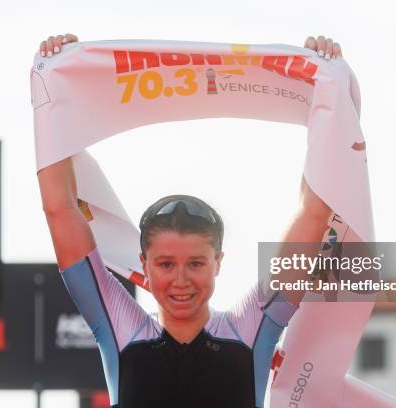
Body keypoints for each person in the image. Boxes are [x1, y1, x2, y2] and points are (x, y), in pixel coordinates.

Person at [37, 34, 340, 408]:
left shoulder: (251, 329)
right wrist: (50, 91)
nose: (181, 280)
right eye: (166, 264)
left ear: (219, 263)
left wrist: (328, 95)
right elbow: (60, 210)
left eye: (195, 263)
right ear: (144, 264)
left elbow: (314, 212)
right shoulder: (119, 329)